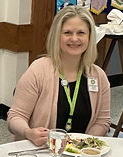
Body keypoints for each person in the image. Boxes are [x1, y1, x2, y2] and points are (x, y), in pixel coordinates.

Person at [7, 6, 110, 146]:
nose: (74, 39)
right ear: (57, 36)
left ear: (90, 37)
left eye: (81, 33)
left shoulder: (99, 76)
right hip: (41, 152)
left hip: (80, 155)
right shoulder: (38, 70)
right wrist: (28, 132)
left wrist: (82, 145)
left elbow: (102, 121)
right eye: (67, 32)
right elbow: (15, 117)